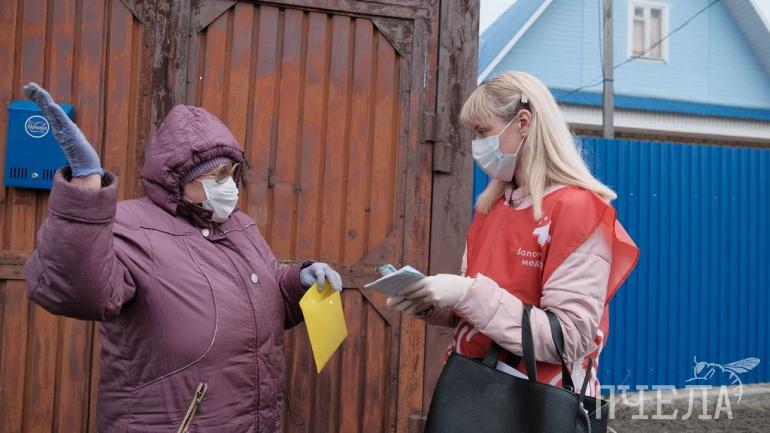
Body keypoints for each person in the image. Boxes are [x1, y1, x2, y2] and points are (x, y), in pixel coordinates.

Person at [23, 82, 342, 432]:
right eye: (218, 175)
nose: (230, 185)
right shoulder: (131, 226)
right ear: (179, 179)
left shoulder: (240, 226)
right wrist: (85, 189)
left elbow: (261, 303)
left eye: (232, 172)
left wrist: (298, 284)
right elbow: (74, 291)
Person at [387, 71, 639, 396]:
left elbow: (567, 338)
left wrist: (466, 293)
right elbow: (481, 315)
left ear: (523, 123)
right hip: (475, 392)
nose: (476, 144)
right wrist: (433, 303)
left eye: (482, 131)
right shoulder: (490, 208)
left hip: (537, 404)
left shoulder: (578, 210)